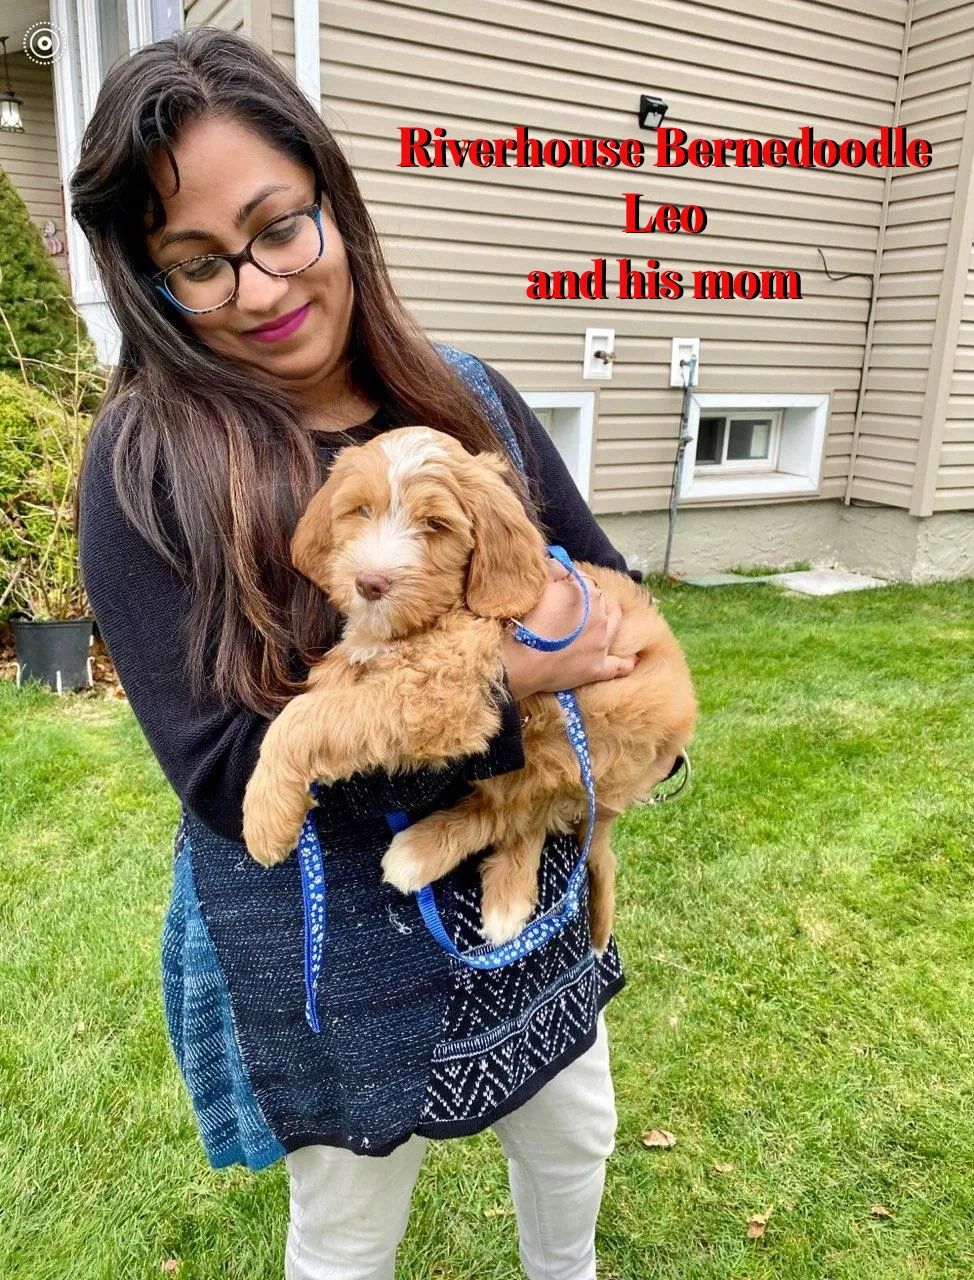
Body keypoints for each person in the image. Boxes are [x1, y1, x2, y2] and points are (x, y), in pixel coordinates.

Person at [73, 26, 676, 1280]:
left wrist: (601, 699)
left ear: (332, 205)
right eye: (198, 264)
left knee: (571, 1137)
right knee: (347, 1222)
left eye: (278, 226)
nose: (257, 286)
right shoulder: (146, 466)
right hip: (317, 927)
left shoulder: (466, 397)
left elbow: (600, 596)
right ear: (151, 280)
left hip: (530, 872)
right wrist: (509, 682)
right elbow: (224, 773)